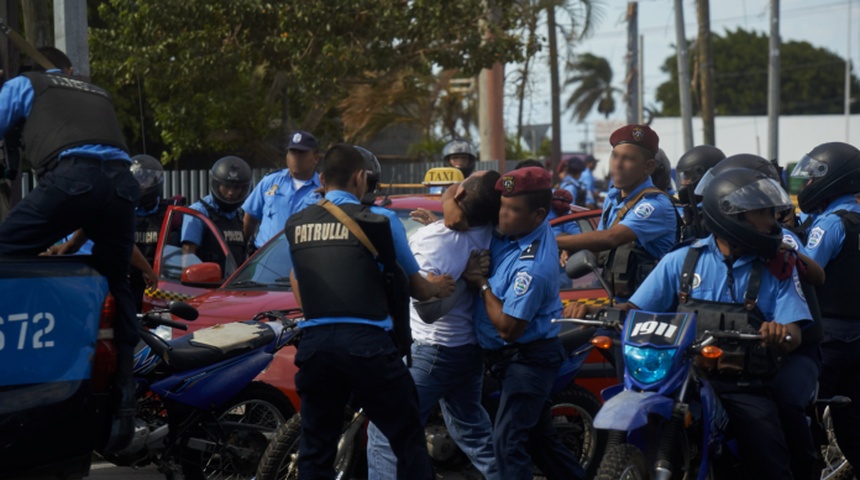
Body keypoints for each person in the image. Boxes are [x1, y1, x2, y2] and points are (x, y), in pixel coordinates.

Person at [569, 167, 811, 479]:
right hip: (681, 376)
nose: (772, 222)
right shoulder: (682, 260)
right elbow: (635, 309)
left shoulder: (778, 266)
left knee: (770, 460)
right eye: (761, 214)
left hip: (742, 384)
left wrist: (779, 332)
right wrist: (594, 309)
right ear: (731, 217)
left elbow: (794, 331)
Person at [285, 144, 455, 480]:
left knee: (315, 451)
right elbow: (418, 288)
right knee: (407, 439)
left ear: (321, 178)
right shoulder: (383, 221)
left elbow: (297, 279)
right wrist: (440, 286)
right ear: (360, 178)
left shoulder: (296, 223)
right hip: (368, 347)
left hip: (315, 346)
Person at [0, 47, 139, 452]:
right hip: (120, 186)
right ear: (69, 71)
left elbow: (81, 176)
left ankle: (28, 357)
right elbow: (103, 176)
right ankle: (123, 400)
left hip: (72, 177)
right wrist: (74, 244)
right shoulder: (97, 93)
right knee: (117, 282)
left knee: (6, 253)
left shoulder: (25, 84)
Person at [365, 171, 502, 480]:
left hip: (434, 350)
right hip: (468, 350)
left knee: (386, 432)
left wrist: (464, 282)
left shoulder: (434, 239)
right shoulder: (494, 232)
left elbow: (427, 312)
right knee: (473, 433)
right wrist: (443, 212)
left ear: (462, 197)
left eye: (464, 183)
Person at [696, 154, 824, 479]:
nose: (770, 217)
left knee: (785, 400)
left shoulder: (778, 240)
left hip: (790, 347)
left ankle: (802, 466)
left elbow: (817, 277)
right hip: (718, 356)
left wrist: (786, 256)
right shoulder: (691, 254)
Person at [463, 166, 585, 479]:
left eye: (512, 210)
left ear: (538, 214)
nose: (501, 216)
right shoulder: (517, 229)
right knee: (541, 443)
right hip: (508, 359)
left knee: (507, 443)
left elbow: (508, 328)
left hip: (527, 360)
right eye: (502, 206)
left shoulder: (533, 269)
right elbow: (457, 196)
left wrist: (482, 284)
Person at [791, 141, 860, 472]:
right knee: (853, 423)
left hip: (830, 336)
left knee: (805, 414)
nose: (806, 186)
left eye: (811, 179)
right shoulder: (850, 219)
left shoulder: (831, 224)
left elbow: (805, 273)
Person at [557, 124, 677, 302]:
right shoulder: (613, 197)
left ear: (648, 167)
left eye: (628, 159)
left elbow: (611, 238)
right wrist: (575, 247)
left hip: (649, 311)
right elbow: (601, 249)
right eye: (615, 156)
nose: (618, 164)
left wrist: (551, 239)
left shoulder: (654, 205)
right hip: (616, 303)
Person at [242, 130, 321, 250]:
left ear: (315, 158)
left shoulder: (323, 189)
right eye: (292, 152)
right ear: (287, 156)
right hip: (266, 261)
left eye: (301, 153)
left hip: (304, 262)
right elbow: (250, 218)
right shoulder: (270, 181)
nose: (296, 157)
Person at [181, 155, 251, 268]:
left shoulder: (239, 215)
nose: (231, 192)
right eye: (227, 186)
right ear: (217, 185)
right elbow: (188, 254)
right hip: (206, 283)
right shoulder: (198, 213)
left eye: (236, 188)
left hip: (234, 284)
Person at [675, 145, 726, 240]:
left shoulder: (718, 212)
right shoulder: (686, 209)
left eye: (687, 175)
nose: (683, 182)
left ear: (701, 174)